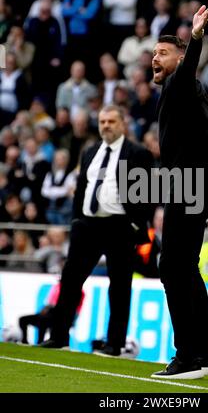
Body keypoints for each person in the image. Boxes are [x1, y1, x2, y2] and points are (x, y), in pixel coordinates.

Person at [151, 5, 208, 379]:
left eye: (163, 52)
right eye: (153, 52)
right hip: (196, 182)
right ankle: (203, 355)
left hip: (187, 184)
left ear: (181, 60)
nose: (154, 57)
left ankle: (188, 356)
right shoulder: (192, 94)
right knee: (184, 268)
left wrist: (195, 37)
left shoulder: (182, 83)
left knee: (173, 266)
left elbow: (188, 64)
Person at [40, 105, 153, 355]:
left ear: (122, 124)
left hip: (120, 225)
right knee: (70, 280)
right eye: (102, 122)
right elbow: (82, 187)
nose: (106, 126)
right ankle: (58, 336)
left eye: (111, 121)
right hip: (88, 226)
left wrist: (135, 223)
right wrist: (76, 220)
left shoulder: (138, 153)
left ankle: (114, 343)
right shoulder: (90, 152)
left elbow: (148, 192)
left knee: (120, 286)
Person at [19, 281, 85, 345]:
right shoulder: (56, 287)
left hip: (60, 317)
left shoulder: (78, 292)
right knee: (23, 319)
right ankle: (25, 340)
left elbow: (73, 309)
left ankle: (40, 342)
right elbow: (49, 303)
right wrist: (45, 309)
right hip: (49, 314)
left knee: (43, 321)